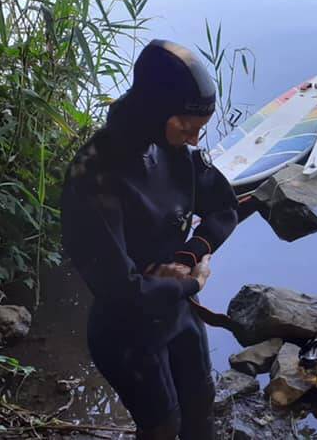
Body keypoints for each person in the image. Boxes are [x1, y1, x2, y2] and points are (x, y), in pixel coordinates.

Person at [61, 40, 238, 440]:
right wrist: (194, 282)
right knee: (161, 426)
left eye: (200, 130)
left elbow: (223, 207)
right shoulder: (94, 178)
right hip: (126, 330)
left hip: (177, 313)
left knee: (200, 408)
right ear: (155, 109)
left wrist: (190, 254)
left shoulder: (173, 149)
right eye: (186, 128)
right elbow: (120, 288)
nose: (195, 140)